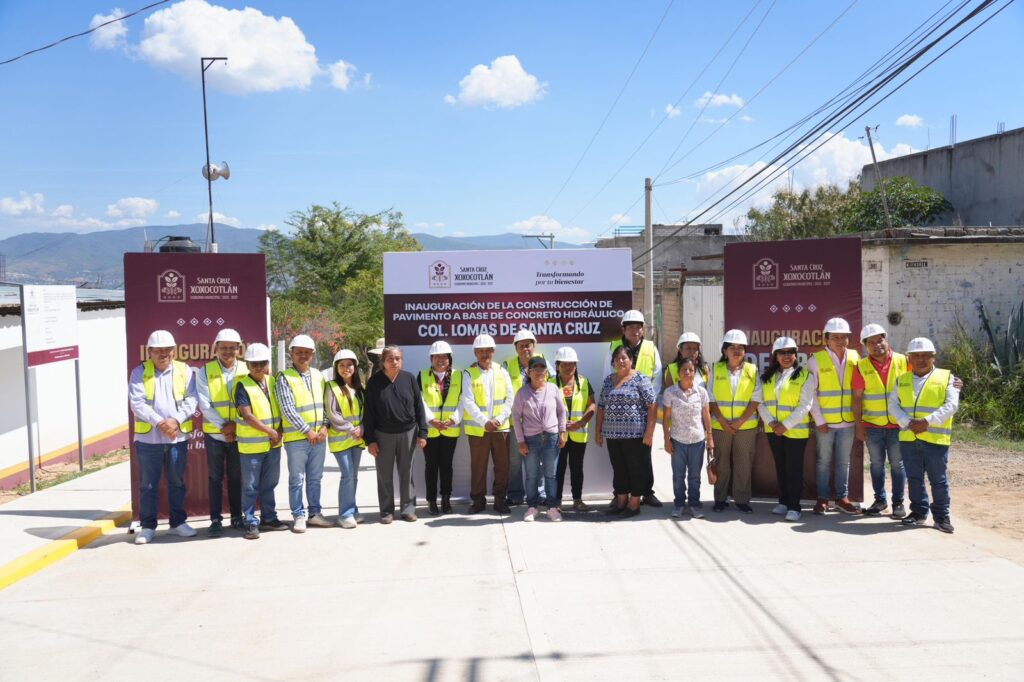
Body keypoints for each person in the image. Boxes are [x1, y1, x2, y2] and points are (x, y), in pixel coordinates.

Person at [128, 329, 198, 545]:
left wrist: (175, 420)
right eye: (158, 350)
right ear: (149, 352)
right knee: (148, 485)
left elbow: (192, 399)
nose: (163, 354)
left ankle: (177, 523)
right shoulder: (139, 372)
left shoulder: (184, 370)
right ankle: (148, 527)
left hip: (176, 438)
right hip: (149, 440)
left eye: (167, 349)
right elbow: (137, 403)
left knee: (177, 482)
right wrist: (160, 422)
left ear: (173, 351)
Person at [889, 337, 960, 533]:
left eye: (925, 356)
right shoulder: (902, 379)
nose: (921, 359)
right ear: (909, 359)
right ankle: (918, 512)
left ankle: (941, 516)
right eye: (916, 356)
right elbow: (893, 404)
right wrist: (907, 422)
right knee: (914, 478)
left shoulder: (947, 378)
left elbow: (952, 405)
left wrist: (927, 421)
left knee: (938, 479)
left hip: (934, 438)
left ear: (933, 357)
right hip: (909, 437)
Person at [363, 345, 428, 523]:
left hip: (408, 433)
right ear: (383, 361)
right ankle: (386, 511)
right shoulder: (374, 382)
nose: (394, 362)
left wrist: (423, 432)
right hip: (383, 435)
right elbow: (368, 413)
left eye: (398, 358)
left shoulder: (409, 378)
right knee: (384, 475)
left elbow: (419, 406)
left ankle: (408, 509)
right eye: (390, 359)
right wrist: (370, 440)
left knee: (406, 473)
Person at [605, 309, 663, 508]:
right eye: (630, 327)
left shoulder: (650, 347)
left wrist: (646, 402)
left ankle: (646, 492)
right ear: (623, 329)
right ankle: (620, 494)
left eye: (638, 327)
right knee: (621, 459)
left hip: (644, 410)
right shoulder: (614, 347)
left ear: (643, 330)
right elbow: (608, 375)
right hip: (620, 413)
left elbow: (657, 376)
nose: (635, 331)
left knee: (644, 455)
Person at [852, 323, 908, 519]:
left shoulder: (903, 360)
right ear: (865, 346)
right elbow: (857, 398)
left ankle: (898, 503)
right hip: (873, 426)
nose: (877, 345)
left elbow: (924, 376)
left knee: (897, 464)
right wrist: (859, 426)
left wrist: (952, 381)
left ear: (886, 339)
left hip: (898, 425)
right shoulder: (861, 366)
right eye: (871, 343)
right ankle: (880, 500)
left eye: (880, 340)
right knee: (876, 464)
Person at [275, 334, 330, 532]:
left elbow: (326, 405)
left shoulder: (318, 376)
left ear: (312, 355)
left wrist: (324, 426)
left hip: (319, 438)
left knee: (315, 478)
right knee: (297, 479)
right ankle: (298, 515)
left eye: (307, 352)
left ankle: (315, 514)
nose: (303, 356)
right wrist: (308, 432)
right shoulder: (284, 377)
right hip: (297, 439)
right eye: (299, 352)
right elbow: (287, 409)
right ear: (291, 354)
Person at [595, 345, 657, 518]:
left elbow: (652, 405)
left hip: (636, 436)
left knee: (636, 469)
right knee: (619, 468)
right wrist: (597, 431)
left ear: (631, 361)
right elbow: (601, 407)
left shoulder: (641, 379)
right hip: (612, 435)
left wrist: (649, 432)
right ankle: (621, 502)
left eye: (624, 358)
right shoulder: (609, 380)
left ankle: (634, 504)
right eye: (617, 359)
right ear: (613, 362)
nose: (621, 361)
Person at [234, 342, 289, 539]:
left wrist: (279, 432)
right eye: (254, 364)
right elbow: (247, 416)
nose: (258, 367)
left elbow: (282, 409)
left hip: (273, 445)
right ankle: (250, 522)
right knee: (250, 487)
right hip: (251, 447)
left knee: (269, 484)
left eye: (262, 363)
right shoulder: (242, 385)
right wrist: (271, 432)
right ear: (247, 365)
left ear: (267, 363)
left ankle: (269, 518)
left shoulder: (273, 382)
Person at [758, 337, 815, 522]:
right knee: (780, 467)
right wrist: (771, 423)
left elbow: (805, 406)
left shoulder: (805, 376)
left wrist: (785, 425)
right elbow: (760, 403)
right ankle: (783, 502)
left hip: (795, 432)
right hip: (773, 430)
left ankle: (794, 507)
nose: (786, 356)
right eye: (782, 353)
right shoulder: (766, 377)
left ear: (796, 355)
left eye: (790, 352)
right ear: (775, 356)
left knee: (794, 469)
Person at [808, 318, 862, 515]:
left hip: (848, 422)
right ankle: (822, 498)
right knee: (823, 461)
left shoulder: (856, 357)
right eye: (835, 337)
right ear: (827, 339)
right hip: (826, 424)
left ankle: (841, 498)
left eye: (843, 337)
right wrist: (819, 420)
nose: (840, 341)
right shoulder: (815, 360)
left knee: (843, 462)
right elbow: (810, 394)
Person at [196, 328, 246, 537]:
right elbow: (204, 404)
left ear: (239, 349)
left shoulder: (246, 368)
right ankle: (215, 520)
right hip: (215, 435)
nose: (227, 351)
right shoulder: (205, 371)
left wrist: (236, 426)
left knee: (236, 477)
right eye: (223, 347)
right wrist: (225, 427)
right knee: (215, 478)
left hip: (240, 434)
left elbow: (254, 401)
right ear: (216, 348)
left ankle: (237, 516)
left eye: (232, 348)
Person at [708, 329, 762, 514]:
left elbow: (756, 398)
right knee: (721, 464)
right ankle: (720, 499)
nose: (737, 350)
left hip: (745, 427)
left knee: (743, 464)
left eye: (740, 347)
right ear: (725, 350)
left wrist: (740, 421)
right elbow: (710, 397)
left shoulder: (752, 370)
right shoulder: (715, 368)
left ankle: (742, 500)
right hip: (720, 426)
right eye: (732, 347)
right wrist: (722, 421)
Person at [460, 334, 515, 515]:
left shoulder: (502, 371)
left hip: (501, 428)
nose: (485, 354)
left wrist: (499, 419)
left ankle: (500, 500)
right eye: (480, 351)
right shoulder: (468, 373)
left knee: (502, 466)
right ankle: (478, 501)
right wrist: (485, 422)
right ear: (475, 353)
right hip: (479, 430)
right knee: (478, 467)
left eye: (488, 350)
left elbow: (510, 399)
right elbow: (468, 401)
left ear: (493, 351)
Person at [512, 356, 568, 522]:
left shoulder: (553, 389)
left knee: (550, 474)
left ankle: (552, 508)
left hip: (551, 438)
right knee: (532, 475)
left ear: (546, 372)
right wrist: (520, 441)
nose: (539, 373)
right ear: (529, 373)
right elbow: (516, 417)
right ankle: (532, 507)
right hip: (531, 439)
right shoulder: (522, 393)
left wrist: (562, 431)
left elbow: (561, 412)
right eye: (535, 370)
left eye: (542, 369)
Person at [503, 329, 549, 507]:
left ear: (534, 346)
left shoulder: (543, 362)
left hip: (538, 424)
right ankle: (515, 494)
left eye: (528, 345)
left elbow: (553, 386)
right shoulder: (507, 365)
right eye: (521, 346)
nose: (525, 349)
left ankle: (540, 493)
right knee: (514, 462)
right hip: (516, 423)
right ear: (516, 348)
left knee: (539, 461)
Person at [662, 356, 712, 519]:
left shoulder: (701, 392)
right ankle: (679, 504)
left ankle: (694, 505)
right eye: (684, 370)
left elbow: (706, 416)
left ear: (695, 372)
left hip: (697, 440)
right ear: (678, 373)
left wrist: (710, 437)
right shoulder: (670, 392)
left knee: (695, 476)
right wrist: (666, 439)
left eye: (691, 370)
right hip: (678, 440)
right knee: (678, 476)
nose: (687, 373)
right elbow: (666, 418)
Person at [420, 340, 462, 515]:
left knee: (446, 466)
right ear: (431, 358)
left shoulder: (459, 375)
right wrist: (431, 420)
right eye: (437, 356)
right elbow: (420, 401)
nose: (441, 360)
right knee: (431, 466)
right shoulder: (422, 375)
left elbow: (463, 400)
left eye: (444, 356)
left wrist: (454, 419)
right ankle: (431, 501)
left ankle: (446, 499)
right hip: (430, 430)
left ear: (449, 358)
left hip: (450, 429)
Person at [551, 346, 596, 511]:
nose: (568, 367)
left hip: (578, 433)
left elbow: (592, 405)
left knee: (577, 468)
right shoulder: (550, 383)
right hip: (557, 435)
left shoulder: (584, 382)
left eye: (571, 364)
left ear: (576, 365)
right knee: (558, 469)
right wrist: (559, 425)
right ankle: (556, 501)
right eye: (564, 364)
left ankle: (577, 500)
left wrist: (581, 422)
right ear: (557, 366)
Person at [325, 349, 366, 529]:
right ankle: (345, 515)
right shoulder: (331, 387)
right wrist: (351, 429)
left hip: (357, 438)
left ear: (355, 367)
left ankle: (352, 509)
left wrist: (362, 428)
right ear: (336, 368)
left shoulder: (360, 388)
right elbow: (333, 414)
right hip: (341, 439)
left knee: (353, 476)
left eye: (349, 364)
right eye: (341, 365)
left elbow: (366, 412)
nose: (346, 368)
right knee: (348, 475)